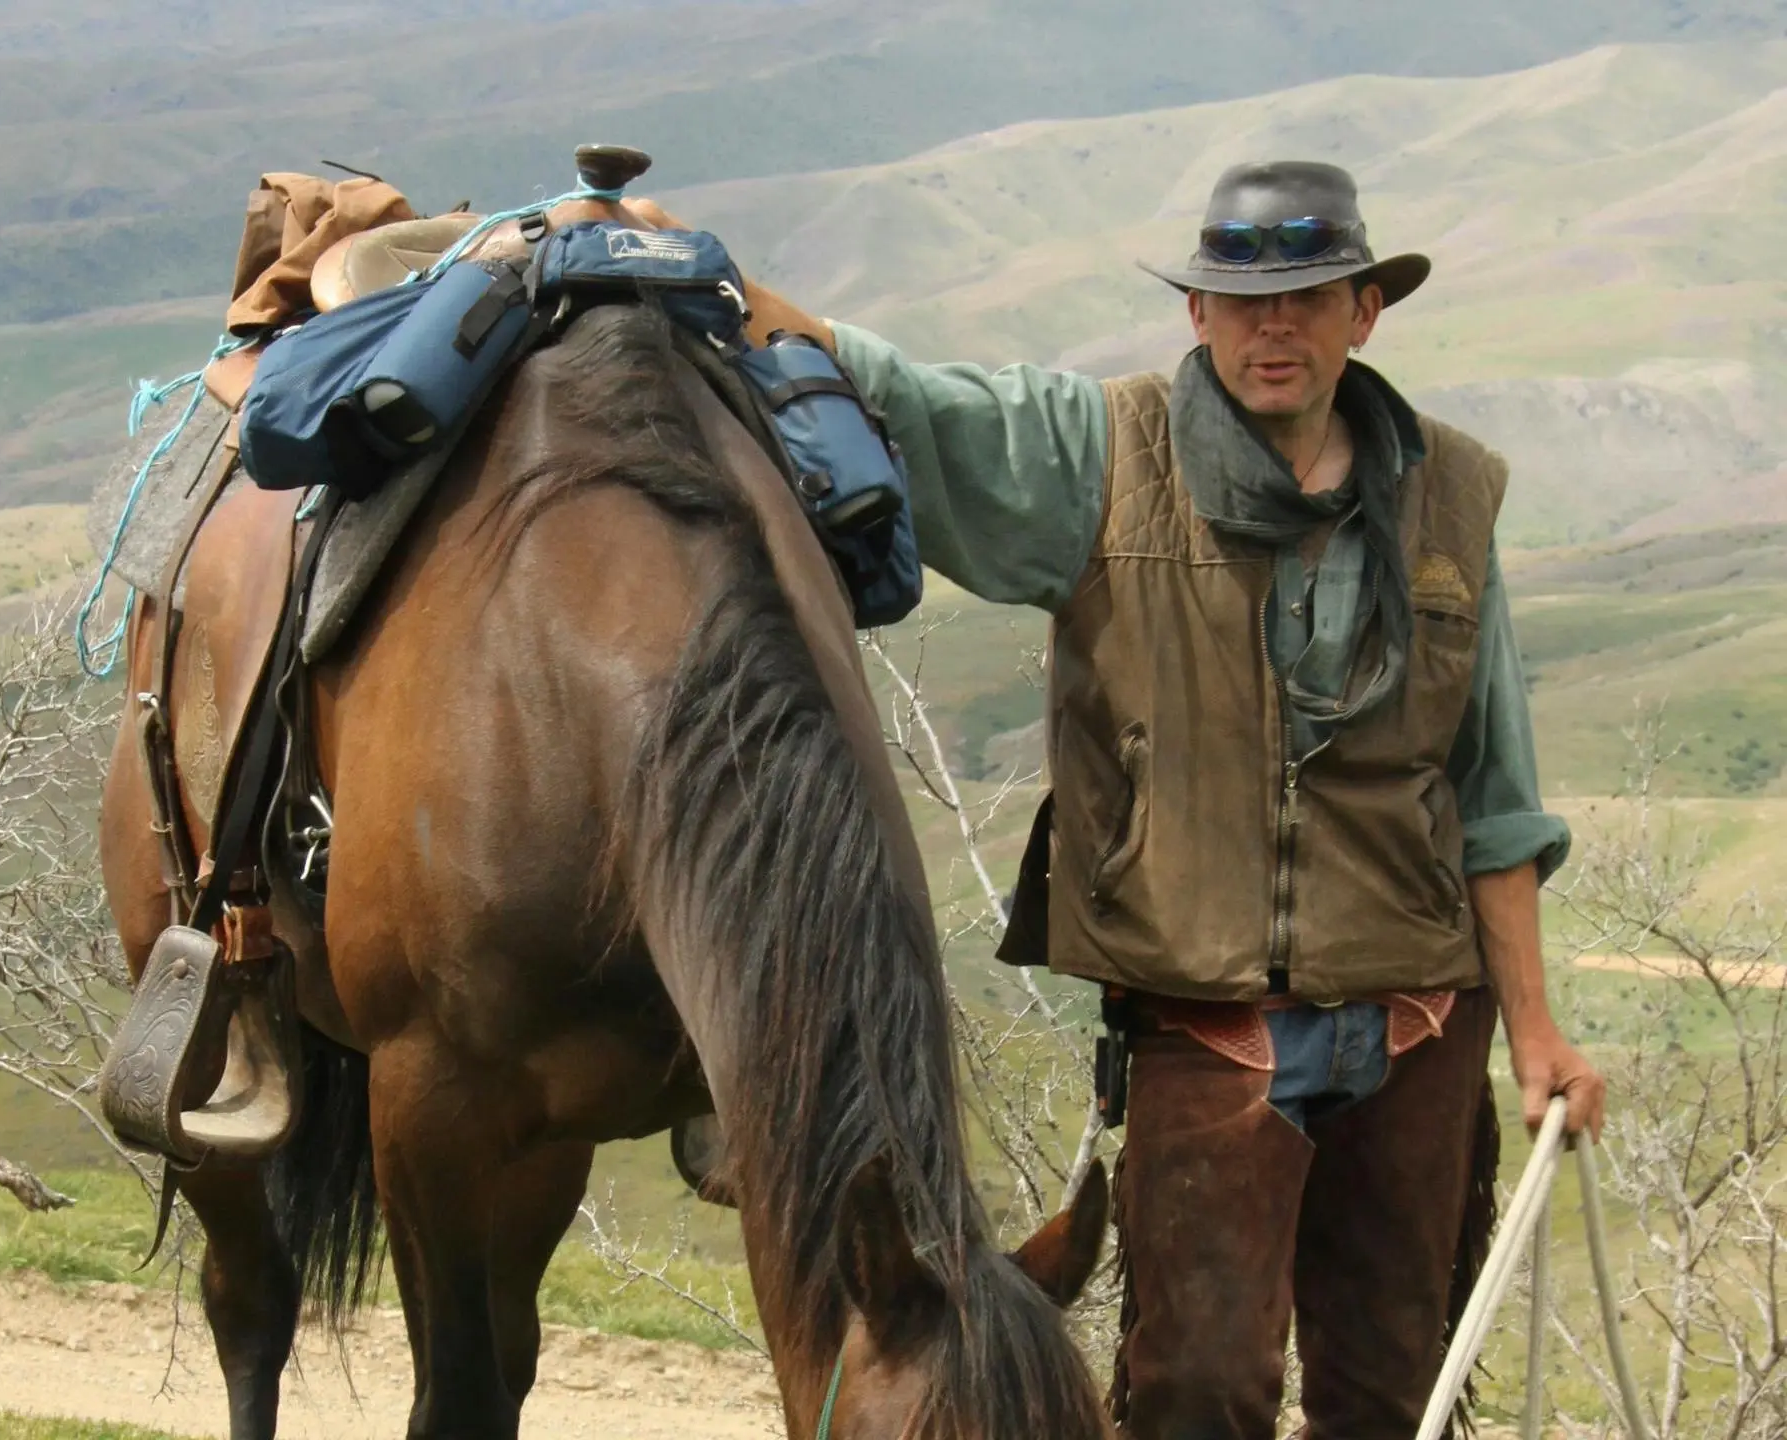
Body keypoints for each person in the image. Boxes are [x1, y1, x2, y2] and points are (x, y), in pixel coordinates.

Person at [639, 160, 1605, 1437]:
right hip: (1208, 1025)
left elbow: (1493, 795)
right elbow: (896, 394)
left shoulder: (1450, 500)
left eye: (1309, 298)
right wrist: (703, 270)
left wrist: (1536, 1032)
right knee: (1195, 1390)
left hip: (1418, 1021)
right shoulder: (1095, 458)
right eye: (1242, 300)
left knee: (1393, 1388)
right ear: (1197, 317)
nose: (1276, 328)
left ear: (1364, 313)